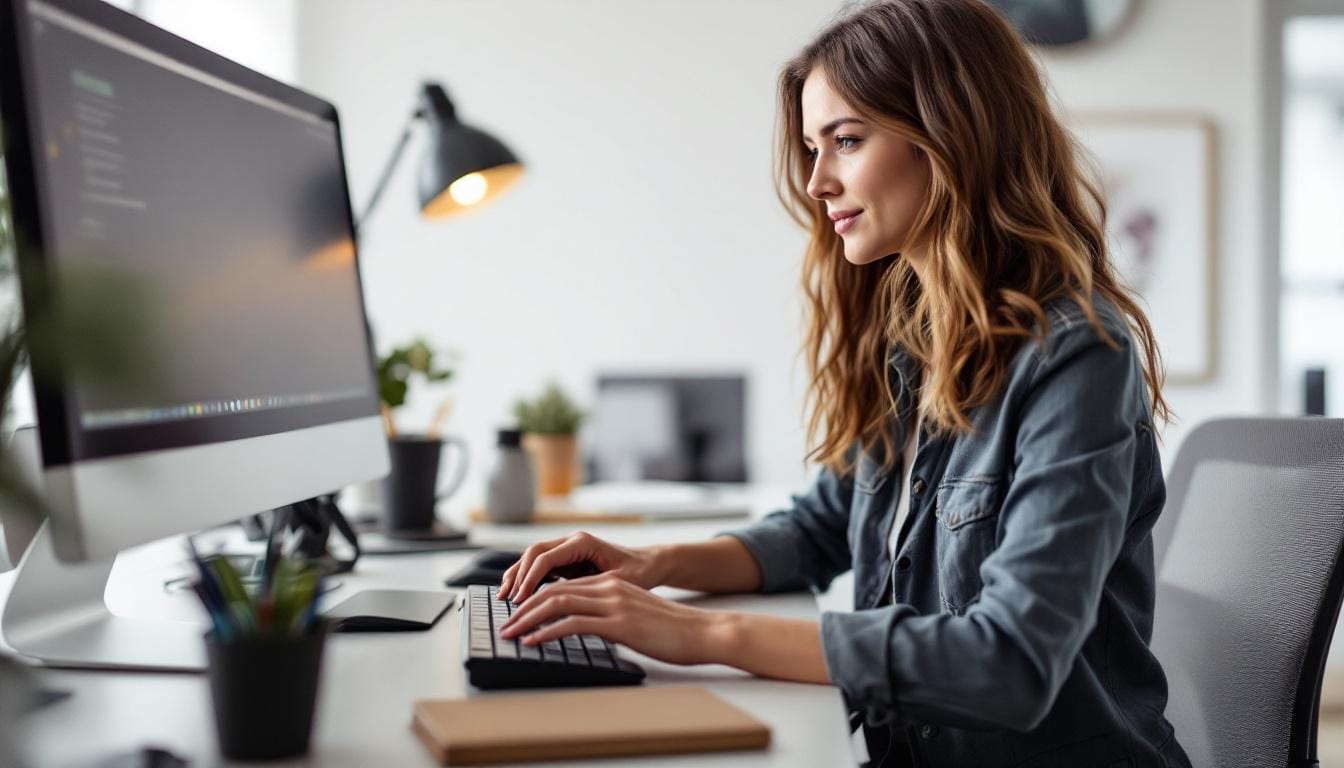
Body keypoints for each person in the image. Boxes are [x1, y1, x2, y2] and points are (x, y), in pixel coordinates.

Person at [497, 1, 1191, 765]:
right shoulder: (913, 338)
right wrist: (652, 567)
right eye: (810, 147)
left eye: (847, 141)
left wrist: (699, 634)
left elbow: (1010, 661)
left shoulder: (1076, 354)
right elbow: (821, 527)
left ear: (953, 136)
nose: (818, 180)